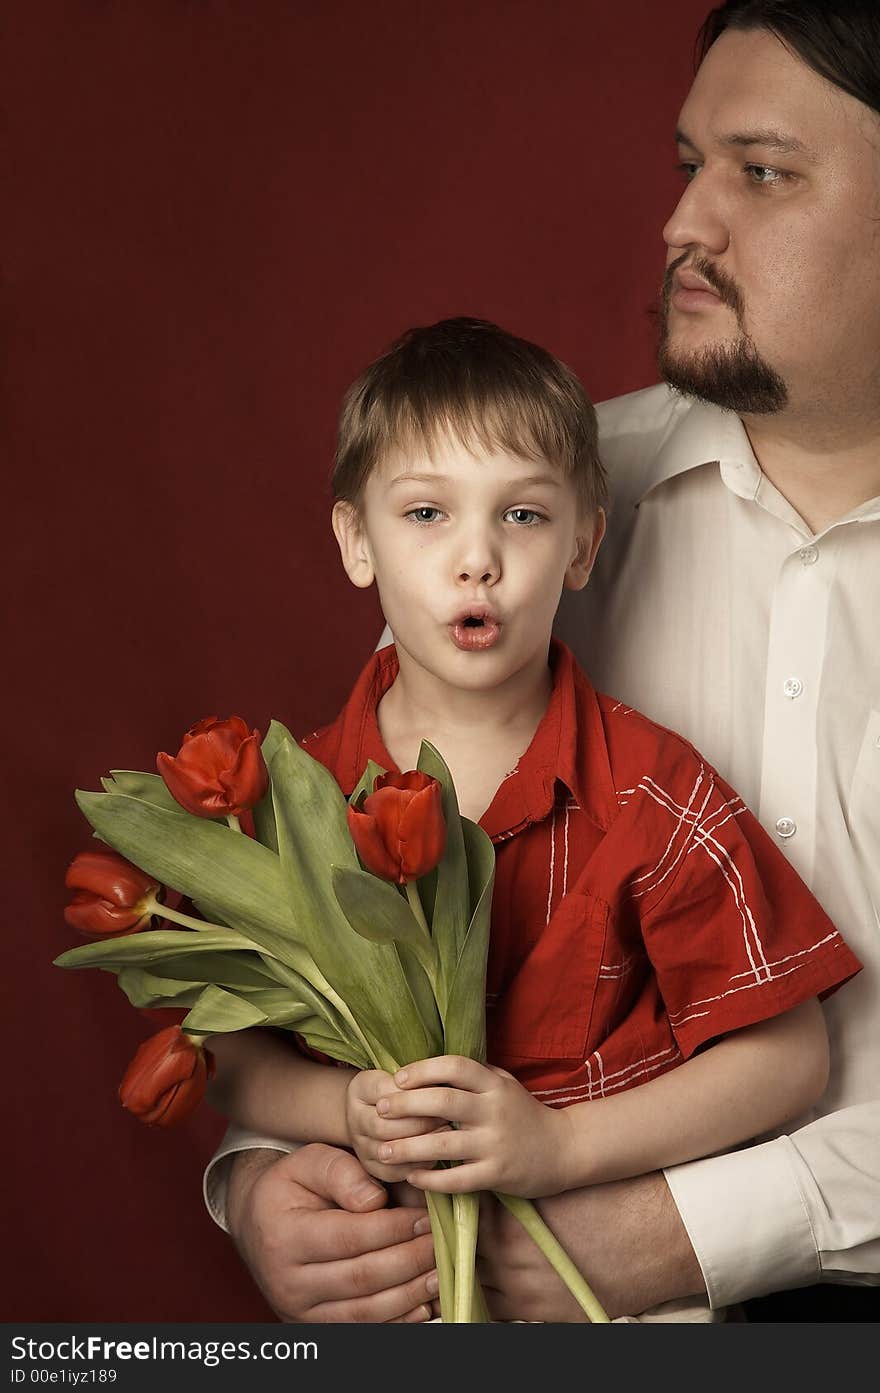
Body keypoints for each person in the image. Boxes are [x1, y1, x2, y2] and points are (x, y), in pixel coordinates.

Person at [206, 0, 880, 1321]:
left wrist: (670, 1231)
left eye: (761, 170)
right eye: (691, 166)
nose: (683, 223)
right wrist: (267, 1182)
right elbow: (349, 948)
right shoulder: (539, 493)